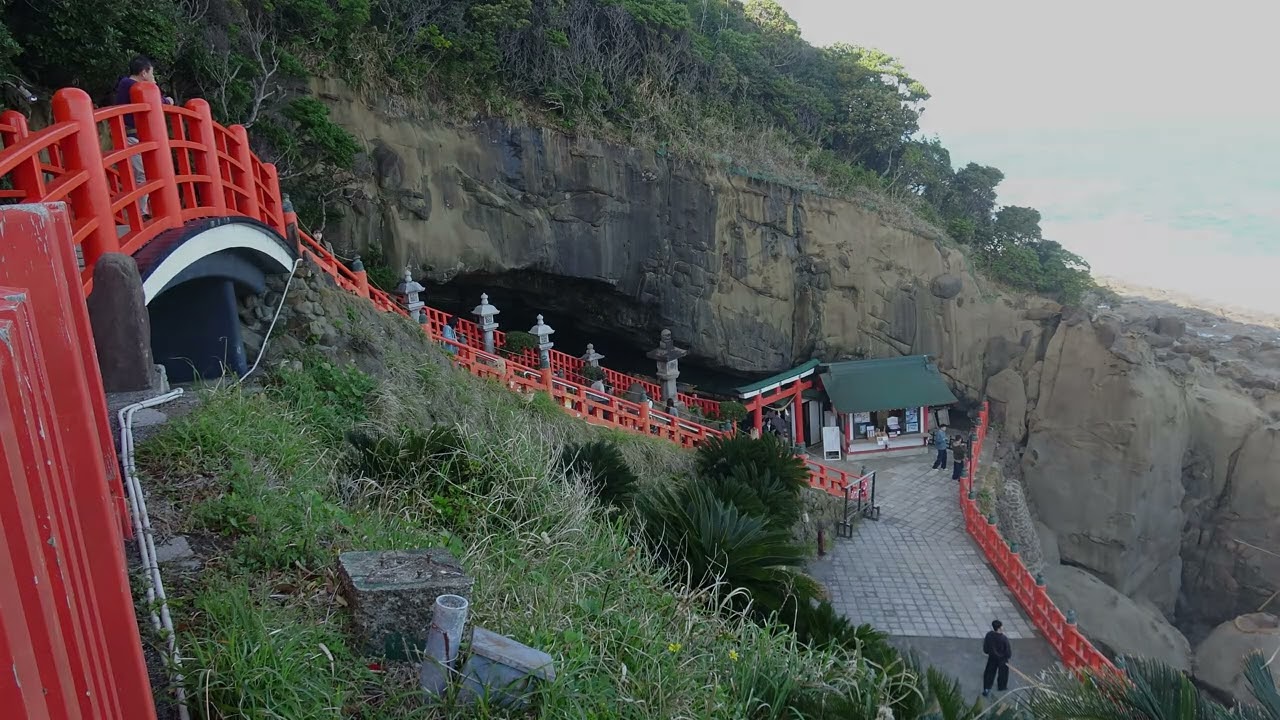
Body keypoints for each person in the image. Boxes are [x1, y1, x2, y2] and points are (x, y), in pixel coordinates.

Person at [114, 56, 174, 217]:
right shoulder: (133, 86)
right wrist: (163, 97)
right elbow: (158, 101)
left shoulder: (126, 85)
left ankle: (142, 211)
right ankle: (140, 213)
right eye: (151, 73)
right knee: (142, 174)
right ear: (144, 72)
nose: (153, 77)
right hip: (133, 137)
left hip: (134, 136)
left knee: (144, 173)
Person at [982, 620, 1012, 697]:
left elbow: (986, 647)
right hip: (1002, 659)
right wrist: (1007, 656)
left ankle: (986, 688)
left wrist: (987, 652)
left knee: (989, 673)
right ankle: (1002, 686)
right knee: (1003, 673)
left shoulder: (989, 635)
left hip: (992, 657)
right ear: (999, 628)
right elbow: (1008, 651)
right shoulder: (1004, 638)